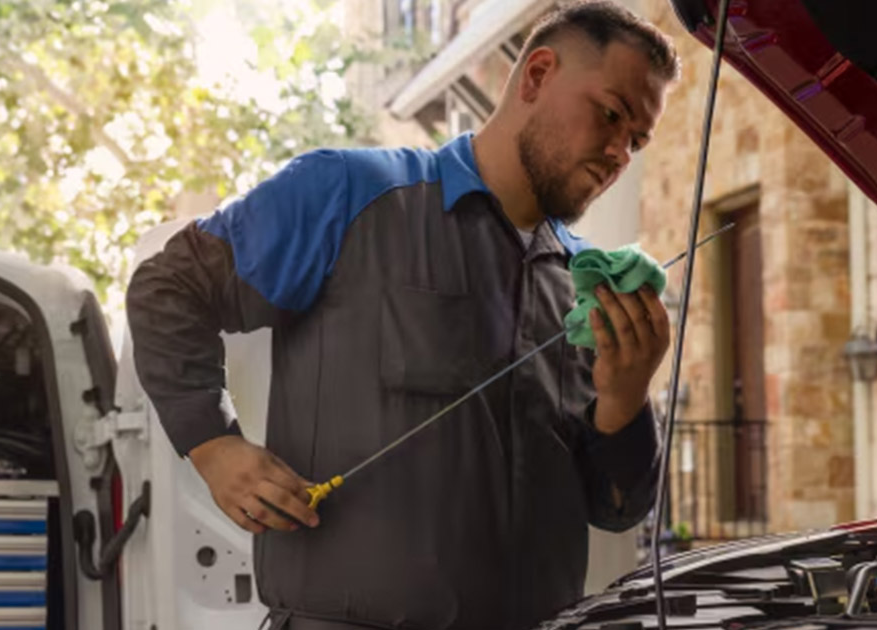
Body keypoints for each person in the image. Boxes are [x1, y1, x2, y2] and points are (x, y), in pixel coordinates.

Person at [126, 1, 680, 628]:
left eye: (636, 139)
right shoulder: (347, 193)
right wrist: (212, 444)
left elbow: (614, 508)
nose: (619, 153)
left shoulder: (588, 289)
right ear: (536, 75)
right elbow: (169, 285)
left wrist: (627, 399)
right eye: (610, 115)